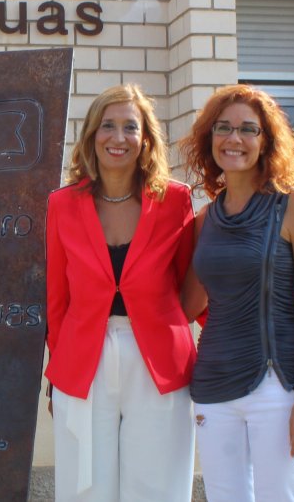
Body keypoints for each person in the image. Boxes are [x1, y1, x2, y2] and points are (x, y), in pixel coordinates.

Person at [44, 84, 197, 501]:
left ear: (145, 138)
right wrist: (57, 371)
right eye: (107, 126)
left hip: (158, 360)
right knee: (85, 485)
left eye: (130, 126)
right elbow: (56, 299)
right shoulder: (62, 204)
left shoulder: (175, 200)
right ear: (92, 135)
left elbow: (189, 286)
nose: (118, 137)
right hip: (83, 359)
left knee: (158, 486)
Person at [179, 84, 294, 502]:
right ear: (210, 139)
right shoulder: (204, 220)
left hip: (277, 390)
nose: (235, 139)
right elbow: (186, 306)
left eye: (249, 129)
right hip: (212, 390)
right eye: (223, 128)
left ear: (266, 141)